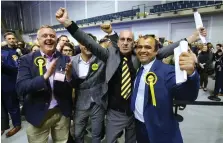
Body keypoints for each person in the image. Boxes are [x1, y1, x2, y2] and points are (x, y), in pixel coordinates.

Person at [56, 8, 206, 143]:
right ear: (117, 42)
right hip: (115, 113)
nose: (126, 43)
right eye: (122, 39)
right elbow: (87, 41)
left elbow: (167, 50)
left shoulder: (140, 55)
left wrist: (193, 37)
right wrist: (68, 23)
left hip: (135, 114)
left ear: (133, 43)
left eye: (129, 40)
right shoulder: (108, 55)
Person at [132, 35, 199, 143]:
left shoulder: (167, 71)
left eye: (148, 47)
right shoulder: (139, 69)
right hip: (139, 128)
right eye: (139, 47)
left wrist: (191, 74)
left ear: (156, 51)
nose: (142, 50)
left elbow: (188, 95)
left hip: (160, 131)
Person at [16, 25, 73, 143]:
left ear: (56, 40)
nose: (49, 38)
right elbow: (21, 87)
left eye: (52, 36)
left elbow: (71, 85)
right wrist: (45, 76)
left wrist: (69, 77)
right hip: (38, 113)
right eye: (44, 36)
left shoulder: (64, 58)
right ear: (38, 40)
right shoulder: (26, 60)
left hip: (61, 112)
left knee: (62, 140)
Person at [68, 33, 106, 143]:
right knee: (77, 133)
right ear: (79, 44)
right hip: (80, 103)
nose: (88, 46)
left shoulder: (102, 60)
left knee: (97, 134)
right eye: (85, 43)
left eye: (91, 43)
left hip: (98, 103)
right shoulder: (72, 61)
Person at [1, 32, 21, 137]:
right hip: (3, 83)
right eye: (9, 38)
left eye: (13, 38)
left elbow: (16, 68)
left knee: (12, 105)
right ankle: (3, 126)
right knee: (3, 107)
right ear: (5, 40)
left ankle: (17, 124)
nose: (12, 40)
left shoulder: (17, 52)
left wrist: (2, 65)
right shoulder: (2, 51)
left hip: (10, 83)